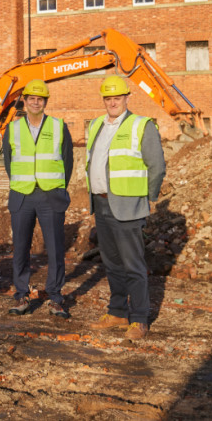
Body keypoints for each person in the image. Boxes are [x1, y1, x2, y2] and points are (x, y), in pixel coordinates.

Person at [86, 75, 165, 339]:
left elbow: (157, 166)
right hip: (102, 203)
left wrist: (146, 198)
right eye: (108, 98)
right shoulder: (96, 125)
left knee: (133, 264)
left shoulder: (142, 125)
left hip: (128, 206)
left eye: (117, 98)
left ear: (126, 98)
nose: (112, 103)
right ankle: (118, 311)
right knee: (112, 263)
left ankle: (139, 318)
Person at [2, 79, 74, 318]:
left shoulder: (58, 126)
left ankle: (55, 297)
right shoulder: (12, 129)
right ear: (25, 100)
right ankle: (21, 295)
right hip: (22, 195)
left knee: (55, 249)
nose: (35, 102)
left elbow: (67, 161)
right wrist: (22, 182)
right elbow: (8, 161)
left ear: (45, 101)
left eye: (40, 98)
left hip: (49, 195)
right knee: (21, 248)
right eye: (31, 98)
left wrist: (56, 187)